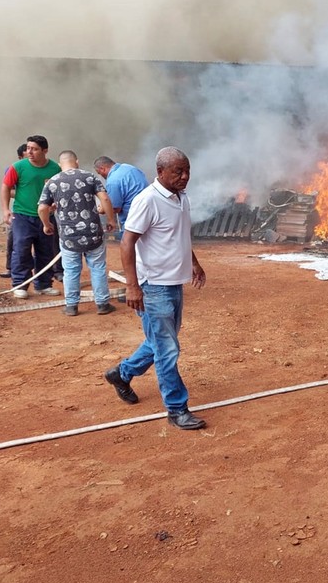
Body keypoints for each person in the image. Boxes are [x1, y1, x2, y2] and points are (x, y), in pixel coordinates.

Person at [103, 147, 207, 430]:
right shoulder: (147, 200)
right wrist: (133, 287)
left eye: (187, 171)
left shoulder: (181, 197)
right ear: (160, 172)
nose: (184, 176)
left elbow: (179, 236)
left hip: (174, 283)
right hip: (153, 287)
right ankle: (176, 408)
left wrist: (194, 263)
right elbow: (127, 242)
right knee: (167, 349)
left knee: (160, 342)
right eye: (178, 171)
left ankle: (122, 374)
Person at [37, 151, 118, 316]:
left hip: (69, 236)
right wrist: (111, 220)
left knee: (71, 271)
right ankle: (102, 304)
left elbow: (42, 208)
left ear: (60, 164)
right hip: (93, 233)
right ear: (77, 161)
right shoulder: (89, 177)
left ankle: (71, 306)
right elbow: (105, 199)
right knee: (98, 268)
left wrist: (46, 224)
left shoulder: (53, 182)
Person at [0, 135, 62, 299]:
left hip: (46, 217)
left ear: (45, 150)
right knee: (21, 250)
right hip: (22, 216)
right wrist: (5, 210)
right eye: (28, 148)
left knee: (45, 250)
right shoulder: (17, 167)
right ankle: (20, 285)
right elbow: (5, 187)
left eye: (34, 149)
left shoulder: (55, 169)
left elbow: (60, 190)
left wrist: (56, 204)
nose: (30, 152)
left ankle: (43, 285)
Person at [94, 156, 149, 236]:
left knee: (126, 242)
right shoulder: (130, 168)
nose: (101, 176)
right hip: (149, 213)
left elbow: (115, 208)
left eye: (99, 173)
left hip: (133, 221)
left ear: (102, 169)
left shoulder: (113, 181)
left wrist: (101, 209)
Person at [0, 143, 28, 279]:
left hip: (42, 211)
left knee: (49, 241)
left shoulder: (44, 168)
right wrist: (27, 194)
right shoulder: (13, 169)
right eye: (27, 155)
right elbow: (8, 190)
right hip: (20, 211)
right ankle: (11, 268)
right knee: (14, 239)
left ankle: (55, 270)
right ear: (20, 157)